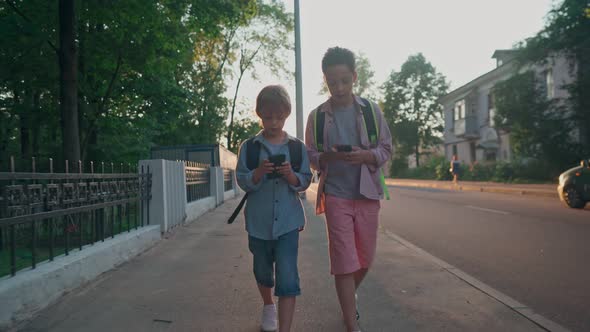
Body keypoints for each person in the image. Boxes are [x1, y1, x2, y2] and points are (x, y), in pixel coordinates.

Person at [304, 47, 392, 332]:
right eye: (332, 82)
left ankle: (347, 299)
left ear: (354, 77)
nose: (339, 87)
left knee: (364, 259)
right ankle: (350, 320)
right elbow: (311, 155)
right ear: (325, 81)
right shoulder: (317, 117)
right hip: (336, 195)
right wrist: (326, 157)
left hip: (367, 194)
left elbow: (386, 149)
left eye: (344, 80)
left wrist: (365, 156)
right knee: (344, 260)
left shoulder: (371, 111)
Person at [236, 85, 312, 332]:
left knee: (288, 276)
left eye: (279, 116)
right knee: (262, 270)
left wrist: (290, 175)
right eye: (268, 117)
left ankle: (285, 328)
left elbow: (305, 181)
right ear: (259, 114)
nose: (274, 122)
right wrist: (259, 173)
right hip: (258, 222)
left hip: (289, 222)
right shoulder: (250, 147)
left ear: (287, 113)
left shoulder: (296, 147)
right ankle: (269, 305)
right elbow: (242, 179)